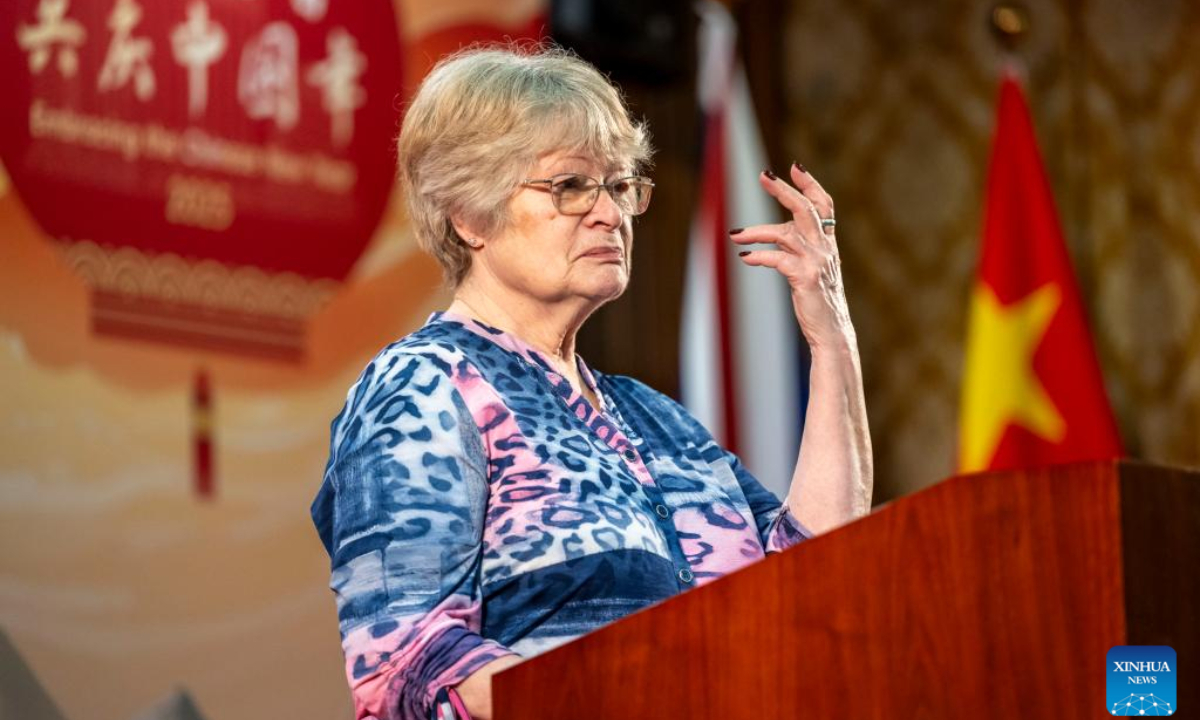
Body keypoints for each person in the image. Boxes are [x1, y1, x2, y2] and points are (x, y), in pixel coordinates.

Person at [310, 44, 873, 720]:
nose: (609, 212)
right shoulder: (426, 387)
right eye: (570, 187)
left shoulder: (655, 419)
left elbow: (810, 586)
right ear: (468, 214)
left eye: (618, 185)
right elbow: (409, 664)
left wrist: (831, 338)